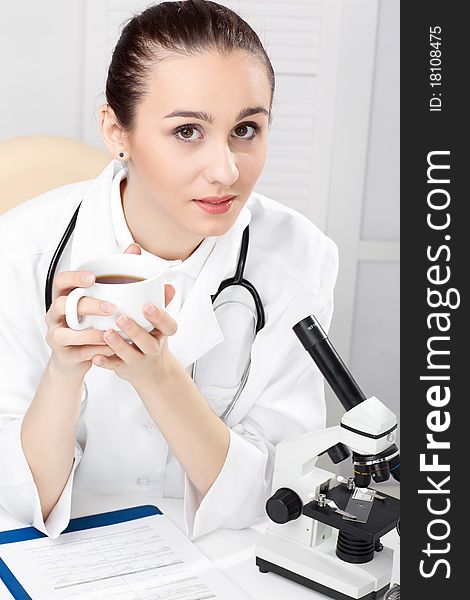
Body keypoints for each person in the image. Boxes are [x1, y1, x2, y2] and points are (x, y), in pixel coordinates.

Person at [0, 0, 338, 540]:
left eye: (246, 129)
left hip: (216, 556)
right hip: (59, 556)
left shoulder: (298, 259)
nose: (226, 170)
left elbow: (276, 495)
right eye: (187, 131)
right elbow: (17, 501)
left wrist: (159, 378)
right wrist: (64, 374)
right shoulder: (19, 252)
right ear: (116, 130)